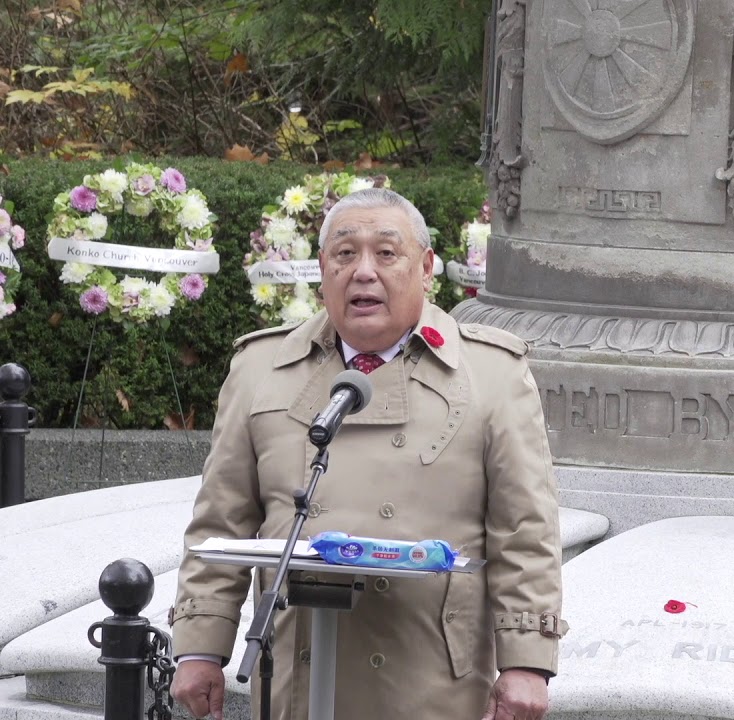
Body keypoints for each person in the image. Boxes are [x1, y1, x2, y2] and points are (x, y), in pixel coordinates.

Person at [168, 188, 567, 720]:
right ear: (321, 268)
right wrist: (199, 648)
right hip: (296, 671)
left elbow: (526, 532)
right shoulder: (261, 369)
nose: (363, 271)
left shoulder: (492, 374)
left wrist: (526, 662)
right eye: (345, 253)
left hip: (429, 676)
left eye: (386, 253)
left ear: (426, 269)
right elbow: (221, 519)